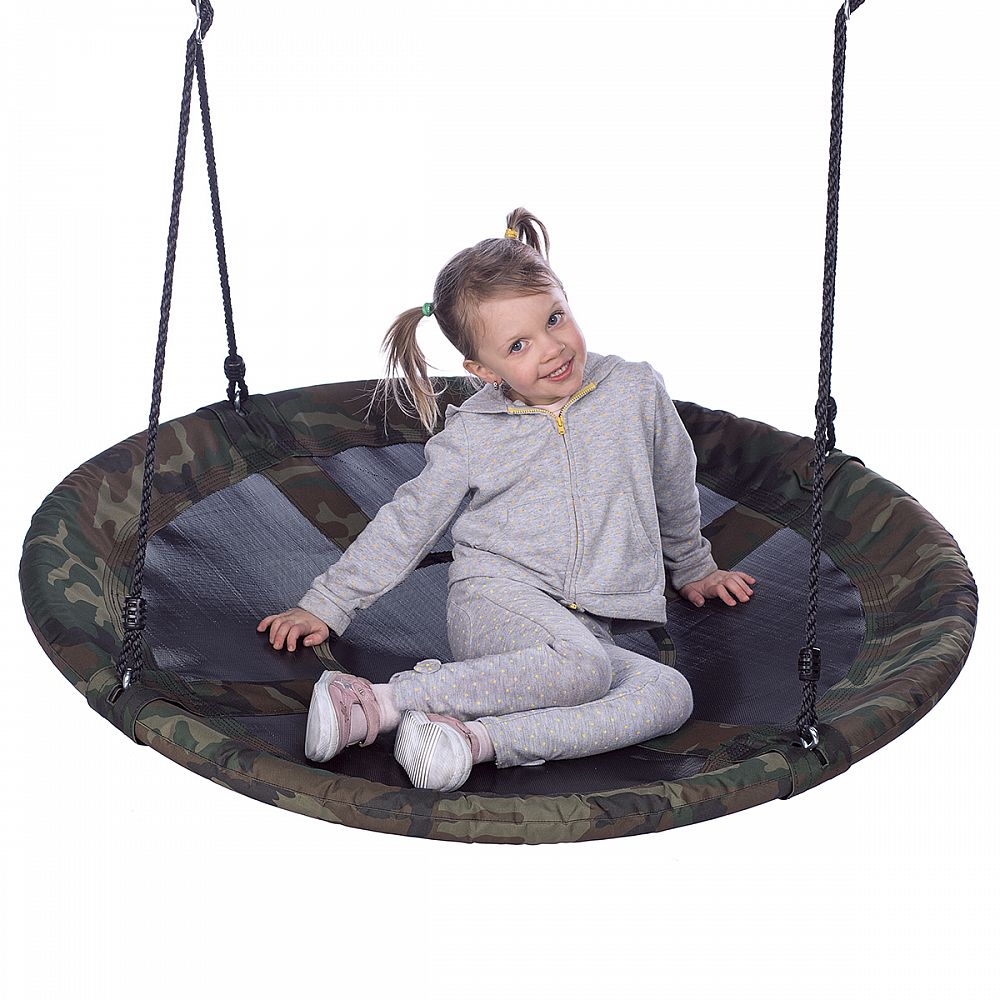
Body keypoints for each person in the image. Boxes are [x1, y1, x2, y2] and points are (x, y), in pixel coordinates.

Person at [257, 207, 756, 793]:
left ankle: (470, 741)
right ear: (483, 370)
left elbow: (673, 477)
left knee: (667, 694)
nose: (552, 348)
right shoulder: (474, 433)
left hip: (587, 629)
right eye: (518, 345)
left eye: (555, 318)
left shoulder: (635, 389)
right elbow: (408, 522)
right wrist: (329, 603)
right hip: (497, 602)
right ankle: (375, 703)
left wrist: (693, 566)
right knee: (584, 667)